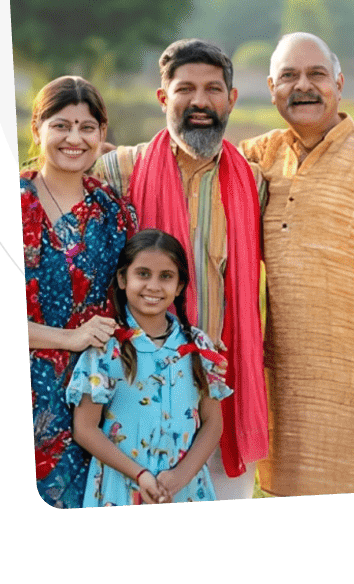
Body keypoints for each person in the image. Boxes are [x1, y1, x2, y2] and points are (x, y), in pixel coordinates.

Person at [95, 40, 267, 500]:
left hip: (220, 394)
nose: (199, 102)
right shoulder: (117, 170)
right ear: (163, 97)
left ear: (231, 99)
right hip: (136, 397)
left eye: (213, 89)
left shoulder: (254, 182)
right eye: (185, 88)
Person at [240, 33, 354, 496]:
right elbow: (185, 165)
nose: (305, 86)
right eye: (290, 77)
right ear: (272, 87)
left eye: (316, 74)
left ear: (338, 82)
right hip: (287, 391)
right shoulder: (259, 157)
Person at [23, 76, 137, 508]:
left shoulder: (114, 211)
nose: (75, 138)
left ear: (102, 134)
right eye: (61, 125)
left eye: (87, 127)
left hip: (97, 400)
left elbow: (133, 302)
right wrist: (66, 338)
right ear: (38, 129)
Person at [69, 230, 231, 506]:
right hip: (122, 487)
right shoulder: (105, 346)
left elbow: (213, 423)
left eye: (166, 276)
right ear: (123, 278)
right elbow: (84, 429)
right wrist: (140, 474)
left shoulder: (198, 345)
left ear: (180, 286)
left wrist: (181, 476)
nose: (154, 286)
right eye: (143, 274)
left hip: (185, 488)